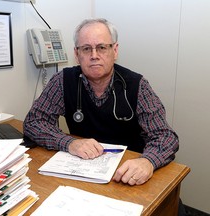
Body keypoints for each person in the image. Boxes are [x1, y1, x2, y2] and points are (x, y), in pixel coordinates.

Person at [23, 18, 179, 186]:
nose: (94, 56)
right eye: (86, 49)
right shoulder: (63, 81)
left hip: (127, 173)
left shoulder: (137, 84)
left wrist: (148, 161)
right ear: (77, 54)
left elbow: (166, 136)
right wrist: (69, 143)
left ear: (115, 50)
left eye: (102, 47)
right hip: (80, 169)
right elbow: (34, 121)